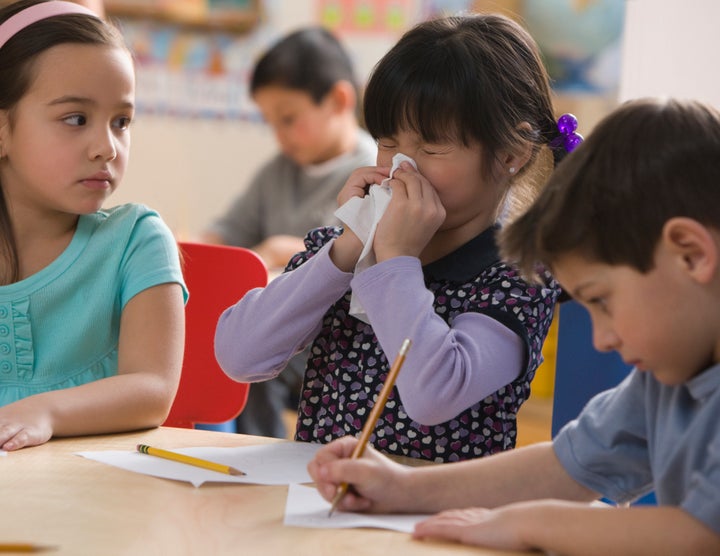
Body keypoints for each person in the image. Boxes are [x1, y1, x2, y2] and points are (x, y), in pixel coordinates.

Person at [307, 98, 720, 555]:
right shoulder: (670, 375)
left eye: (601, 300)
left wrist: (531, 524)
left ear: (691, 254)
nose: (602, 339)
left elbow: (701, 536)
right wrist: (402, 488)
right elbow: (568, 467)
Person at [215, 14, 569, 462]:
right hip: (318, 500)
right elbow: (239, 357)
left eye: (432, 146)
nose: (402, 165)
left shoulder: (517, 275)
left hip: (431, 519)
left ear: (511, 154)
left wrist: (397, 262)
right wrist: (344, 250)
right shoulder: (345, 248)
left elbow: (433, 394)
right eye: (387, 141)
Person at [0, 0, 187, 451]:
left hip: (93, 500)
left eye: (121, 122)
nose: (106, 147)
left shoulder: (136, 240)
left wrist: (43, 410)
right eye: (76, 119)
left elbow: (152, 390)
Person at [203, 26, 376, 438]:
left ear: (338, 101)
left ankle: (259, 459)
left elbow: (352, 259)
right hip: (278, 317)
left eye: (288, 119)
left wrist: (287, 252)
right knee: (225, 339)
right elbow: (228, 233)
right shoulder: (277, 172)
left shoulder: (369, 169)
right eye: (270, 122)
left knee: (256, 360)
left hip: (333, 331)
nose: (279, 136)